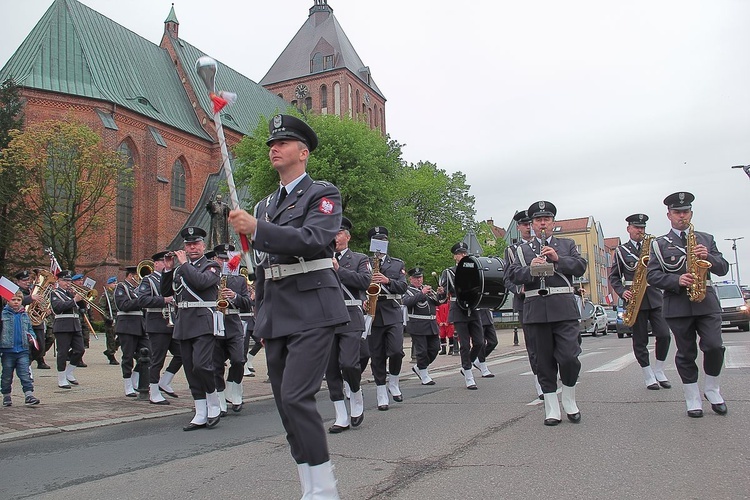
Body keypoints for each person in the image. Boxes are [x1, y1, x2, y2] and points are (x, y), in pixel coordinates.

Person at [228, 114, 348, 498]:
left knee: (297, 396)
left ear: (303, 152)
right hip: (276, 311)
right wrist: (261, 317)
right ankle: (309, 486)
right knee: (284, 404)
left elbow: (313, 239)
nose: (273, 149)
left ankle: (325, 490)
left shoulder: (323, 194)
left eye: (282, 143)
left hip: (313, 306)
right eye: (271, 144)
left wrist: (258, 230)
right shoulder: (265, 204)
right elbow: (264, 268)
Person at [646, 192, 729, 418]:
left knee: (714, 346)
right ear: (669, 215)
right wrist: (675, 280)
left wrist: (709, 257)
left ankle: (712, 389)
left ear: (691, 213)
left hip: (706, 302)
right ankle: (692, 397)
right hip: (678, 303)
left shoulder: (706, 239)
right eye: (677, 212)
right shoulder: (659, 244)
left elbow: (723, 268)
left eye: (685, 212)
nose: (682, 216)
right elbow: (652, 276)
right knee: (686, 352)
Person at [506, 201, 587, 426]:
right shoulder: (521, 250)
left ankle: (569, 400)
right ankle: (551, 407)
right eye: (538, 220)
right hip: (536, 310)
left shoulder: (567, 244)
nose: (543, 224)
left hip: (564, 308)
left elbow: (580, 266)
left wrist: (557, 259)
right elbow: (512, 276)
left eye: (547, 219)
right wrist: (531, 268)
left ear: (553, 223)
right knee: (543, 361)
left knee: (570, 357)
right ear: (531, 224)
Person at [162, 227, 223, 430]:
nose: (192, 247)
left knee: (201, 365)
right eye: (188, 244)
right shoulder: (180, 268)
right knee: (189, 368)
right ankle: (200, 410)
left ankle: (213, 402)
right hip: (184, 322)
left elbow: (200, 283)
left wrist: (184, 264)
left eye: (196, 244)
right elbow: (166, 292)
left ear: (203, 246)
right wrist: (169, 269)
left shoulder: (211, 266)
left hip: (203, 321)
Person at [609, 213, 672, 390]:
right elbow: (614, 277)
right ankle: (648, 374)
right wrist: (622, 292)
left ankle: (659, 369)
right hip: (635, 299)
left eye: (643, 228)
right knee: (640, 340)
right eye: (637, 228)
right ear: (629, 229)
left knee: (664, 335)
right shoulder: (621, 251)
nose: (640, 231)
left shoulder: (653, 247)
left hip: (654, 295)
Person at [326, 216, 370, 433]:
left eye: (339, 232)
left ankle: (355, 392)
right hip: (326, 317)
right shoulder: (321, 258)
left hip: (351, 314)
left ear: (347, 236)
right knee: (331, 368)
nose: (335, 236)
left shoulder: (359, 259)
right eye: (332, 232)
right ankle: (340, 414)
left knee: (349, 364)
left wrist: (338, 270)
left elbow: (365, 282)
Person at [366, 226, 408, 410]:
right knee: (377, 354)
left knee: (396, 350)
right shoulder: (364, 263)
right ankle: (381, 390)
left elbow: (403, 287)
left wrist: (387, 281)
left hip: (392, 310)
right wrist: (362, 301)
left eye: (383, 241)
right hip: (373, 313)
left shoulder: (397, 264)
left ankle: (394, 381)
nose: (380, 244)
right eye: (377, 241)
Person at [504, 209, 543, 399]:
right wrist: (518, 290)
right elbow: (508, 277)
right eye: (525, 224)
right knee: (534, 344)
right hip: (526, 302)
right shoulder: (512, 251)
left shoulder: (544, 244)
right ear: (519, 227)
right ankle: (539, 381)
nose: (529, 227)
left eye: (531, 223)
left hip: (549, 299)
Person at [212, 243, 252, 414]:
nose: (224, 262)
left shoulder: (239, 279)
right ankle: (220, 399)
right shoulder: (209, 276)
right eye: (221, 259)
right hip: (215, 324)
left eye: (227, 259)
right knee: (216, 365)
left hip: (233, 324)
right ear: (215, 259)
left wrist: (234, 296)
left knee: (238, 360)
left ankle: (233, 391)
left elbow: (247, 304)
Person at [137, 252, 181, 404]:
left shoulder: (172, 278)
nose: (167, 263)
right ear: (156, 264)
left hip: (173, 322)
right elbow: (142, 300)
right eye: (164, 261)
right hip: (157, 322)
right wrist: (164, 300)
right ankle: (153, 392)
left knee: (181, 354)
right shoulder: (148, 280)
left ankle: (165, 381)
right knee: (157, 359)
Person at [439, 242, 483, 390]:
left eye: (465, 253)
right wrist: (440, 292)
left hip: (473, 308)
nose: (463, 256)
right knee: (464, 344)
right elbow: (442, 295)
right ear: (455, 257)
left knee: (479, 342)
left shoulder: (474, 268)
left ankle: (467, 365)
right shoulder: (449, 272)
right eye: (460, 254)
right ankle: (469, 374)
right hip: (458, 308)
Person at [114, 266, 149, 398]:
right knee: (128, 356)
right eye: (136, 276)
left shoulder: (140, 290)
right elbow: (123, 305)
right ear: (130, 275)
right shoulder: (121, 287)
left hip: (140, 325)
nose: (139, 279)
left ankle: (135, 379)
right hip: (127, 325)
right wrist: (142, 299)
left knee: (148, 353)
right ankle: (128, 384)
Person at [1, 291, 41, 407]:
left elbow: (30, 329)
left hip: (23, 350)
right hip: (8, 350)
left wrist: (32, 337)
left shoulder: (25, 315)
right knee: (7, 375)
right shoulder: (3, 314)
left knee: (25, 374)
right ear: (7, 301)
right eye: (13, 300)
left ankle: (29, 395)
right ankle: (6, 395)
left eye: (18, 300)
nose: (16, 302)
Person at [403, 267, 441, 385]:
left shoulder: (426, 289)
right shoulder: (407, 290)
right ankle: (424, 375)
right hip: (417, 325)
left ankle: (420, 367)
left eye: (420, 277)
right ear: (411, 279)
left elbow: (438, 302)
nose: (419, 280)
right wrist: (421, 293)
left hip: (431, 324)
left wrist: (440, 293)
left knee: (435, 348)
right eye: (416, 278)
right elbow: (407, 302)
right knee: (422, 351)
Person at [49, 270, 85, 389]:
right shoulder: (55, 293)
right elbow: (58, 307)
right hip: (62, 325)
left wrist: (82, 299)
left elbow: (82, 307)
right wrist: (74, 300)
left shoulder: (70, 293)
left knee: (80, 350)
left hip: (75, 325)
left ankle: (69, 372)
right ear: (58, 281)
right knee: (62, 353)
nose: (67, 283)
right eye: (65, 281)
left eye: (69, 281)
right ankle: (61, 378)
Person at [15, 270, 50, 370]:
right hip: (23, 322)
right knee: (28, 346)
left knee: (41, 347)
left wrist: (45, 309)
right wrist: (30, 298)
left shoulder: (33, 290)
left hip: (35, 322)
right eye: (24, 280)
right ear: (18, 282)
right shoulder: (16, 291)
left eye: (28, 280)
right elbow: (14, 302)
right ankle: (25, 367)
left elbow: (37, 305)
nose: (27, 282)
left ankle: (27, 364)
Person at [99, 277, 120, 365]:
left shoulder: (118, 294)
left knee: (121, 337)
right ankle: (111, 355)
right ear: (109, 284)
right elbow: (101, 308)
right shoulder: (106, 295)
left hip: (118, 318)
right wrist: (107, 318)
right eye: (113, 283)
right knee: (111, 338)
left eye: (116, 283)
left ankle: (110, 350)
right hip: (110, 319)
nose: (115, 285)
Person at [71, 273, 90, 367]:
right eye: (79, 281)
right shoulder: (70, 291)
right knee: (79, 338)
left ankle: (72, 354)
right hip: (75, 316)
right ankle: (78, 359)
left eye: (82, 280)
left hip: (83, 316)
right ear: (73, 282)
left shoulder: (83, 290)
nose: (81, 282)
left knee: (86, 338)